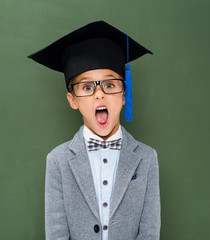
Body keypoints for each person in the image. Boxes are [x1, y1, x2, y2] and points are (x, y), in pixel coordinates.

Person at [28, 21, 160, 240]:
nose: (99, 95)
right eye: (87, 87)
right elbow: (57, 233)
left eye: (110, 85)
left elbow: (149, 232)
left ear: (124, 95)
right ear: (73, 100)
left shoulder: (147, 157)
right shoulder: (57, 160)